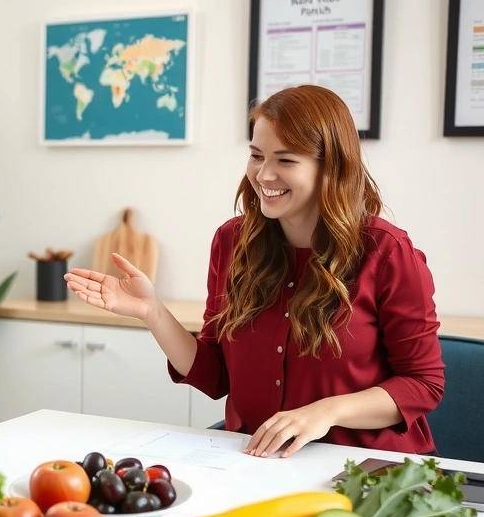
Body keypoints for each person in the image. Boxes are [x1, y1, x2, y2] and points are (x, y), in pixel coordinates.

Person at [65, 85, 443, 459]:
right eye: (257, 155)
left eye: (286, 160)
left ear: (331, 167)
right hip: (258, 466)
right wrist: (152, 312)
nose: (263, 175)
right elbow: (217, 378)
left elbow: (423, 384)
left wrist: (326, 412)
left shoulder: (386, 252)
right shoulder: (232, 241)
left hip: (366, 468)